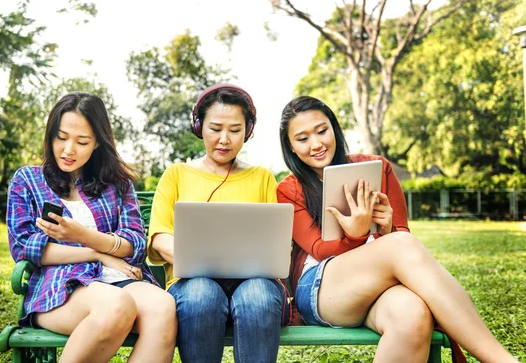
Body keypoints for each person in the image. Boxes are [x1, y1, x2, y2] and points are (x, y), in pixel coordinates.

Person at [277, 96, 517, 363]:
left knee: (412, 315)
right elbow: (319, 250)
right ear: (291, 147)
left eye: (322, 131)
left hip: (381, 286)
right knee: (400, 243)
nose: (317, 144)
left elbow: (403, 241)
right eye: (303, 139)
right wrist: (356, 235)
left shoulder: (378, 168)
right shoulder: (290, 189)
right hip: (322, 289)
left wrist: (387, 227)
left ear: (334, 128)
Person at [7, 92, 177, 363]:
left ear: (97, 142)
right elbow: (25, 248)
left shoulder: (117, 185)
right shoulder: (27, 180)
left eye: (81, 141)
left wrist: (82, 236)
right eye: (61, 137)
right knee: (116, 305)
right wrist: (98, 253)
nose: (68, 149)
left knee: (163, 305)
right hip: (60, 289)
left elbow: (134, 246)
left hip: (120, 279)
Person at [148, 84, 288, 363]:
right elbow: (160, 237)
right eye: (215, 129)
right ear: (199, 126)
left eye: (235, 130)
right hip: (191, 283)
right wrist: (206, 261)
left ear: (248, 131)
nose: (224, 139)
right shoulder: (176, 174)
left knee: (258, 295)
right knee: (202, 293)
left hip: (254, 282)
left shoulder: (261, 177)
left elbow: (276, 241)